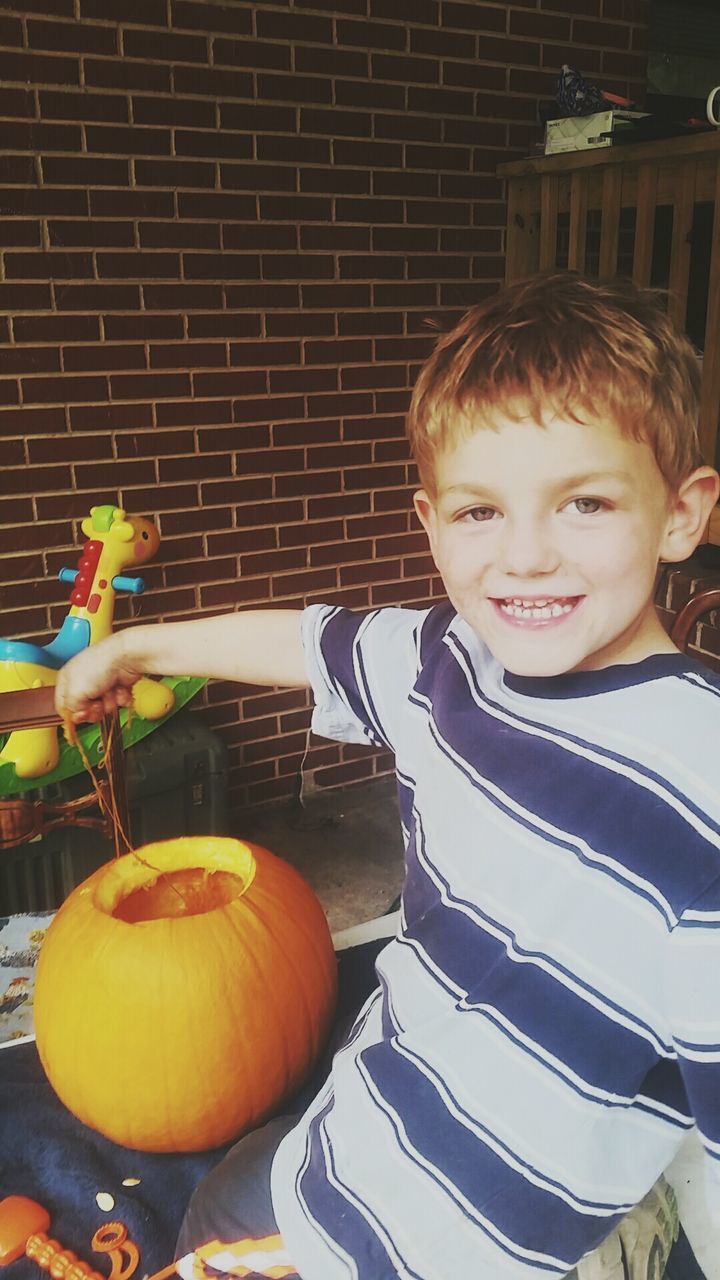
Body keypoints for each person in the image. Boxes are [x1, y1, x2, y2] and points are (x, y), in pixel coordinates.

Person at [56, 273, 720, 1280]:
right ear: (429, 522)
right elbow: (304, 638)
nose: (527, 555)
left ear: (681, 514)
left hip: (490, 1242)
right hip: (357, 1129)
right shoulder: (446, 661)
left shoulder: (700, 779)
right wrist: (136, 644)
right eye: (480, 511)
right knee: (222, 1194)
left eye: (585, 501)